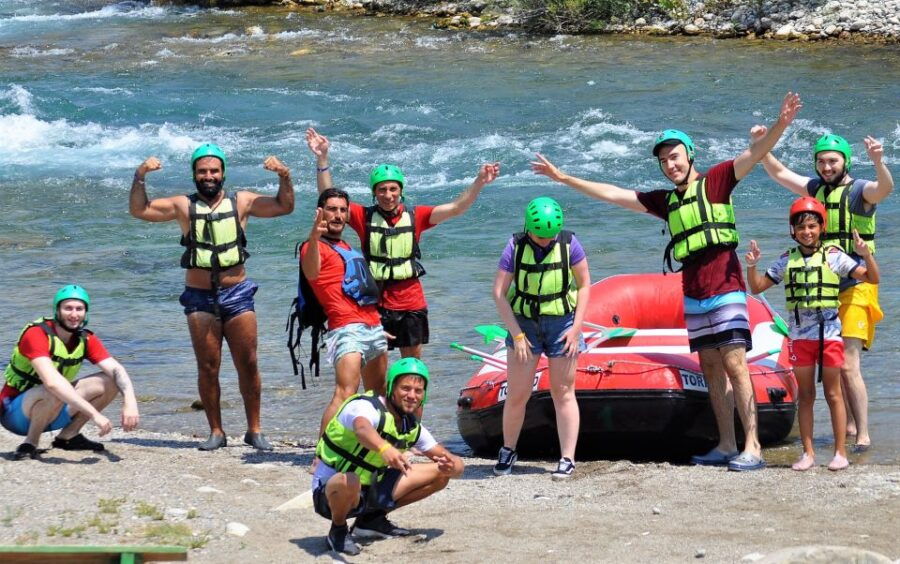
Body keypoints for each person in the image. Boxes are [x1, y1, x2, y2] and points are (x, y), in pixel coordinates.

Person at [532, 92, 803, 471]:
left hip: (725, 285)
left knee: (735, 364)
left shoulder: (718, 180)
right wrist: (564, 178)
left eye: (674, 156)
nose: (669, 165)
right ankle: (726, 444)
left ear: (690, 155)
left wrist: (781, 125)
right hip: (692, 291)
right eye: (663, 161)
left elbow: (755, 155)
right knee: (709, 366)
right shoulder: (666, 202)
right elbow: (614, 195)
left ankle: (752, 445)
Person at [129, 143, 294, 451]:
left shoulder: (242, 201)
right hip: (199, 297)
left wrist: (284, 175)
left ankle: (254, 429)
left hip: (238, 293)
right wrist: (140, 176)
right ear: (194, 174)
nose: (208, 176)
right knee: (208, 366)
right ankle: (216, 431)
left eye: (214, 171)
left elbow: (285, 207)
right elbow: (139, 210)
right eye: (202, 171)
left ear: (223, 173)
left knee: (249, 363)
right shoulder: (182, 206)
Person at [306, 127, 500, 359]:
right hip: (376, 303)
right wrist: (322, 158)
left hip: (411, 302)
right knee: (376, 366)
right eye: (382, 190)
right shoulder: (362, 216)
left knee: (411, 367)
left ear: (401, 190)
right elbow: (329, 195)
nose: (388, 195)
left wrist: (479, 181)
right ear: (374, 193)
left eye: (393, 189)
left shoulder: (416, 216)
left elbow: (456, 208)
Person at [754, 133, 892, 451]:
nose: (827, 166)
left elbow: (884, 189)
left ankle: (864, 434)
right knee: (835, 362)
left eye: (833, 160)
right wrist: (762, 146)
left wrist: (878, 161)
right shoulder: (815, 189)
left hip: (857, 285)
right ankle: (852, 425)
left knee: (847, 362)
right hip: (825, 288)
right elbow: (779, 173)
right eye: (821, 161)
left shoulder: (860, 191)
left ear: (846, 161)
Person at [745, 197, 878, 471]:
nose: (807, 231)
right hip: (800, 338)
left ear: (821, 228)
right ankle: (808, 453)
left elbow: (873, 278)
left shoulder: (834, 256)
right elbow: (757, 287)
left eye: (812, 226)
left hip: (828, 335)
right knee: (806, 396)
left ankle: (840, 452)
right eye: (801, 227)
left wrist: (865, 254)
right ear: (793, 231)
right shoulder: (786, 260)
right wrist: (752, 266)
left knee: (833, 394)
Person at [312, 357, 464, 555]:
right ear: (392, 387)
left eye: (418, 391)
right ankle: (338, 529)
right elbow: (362, 429)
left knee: (441, 475)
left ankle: (371, 521)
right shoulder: (365, 407)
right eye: (405, 388)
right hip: (331, 490)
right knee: (349, 479)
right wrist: (385, 449)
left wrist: (454, 467)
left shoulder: (411, 428)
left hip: (369, 489)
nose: (412, 395)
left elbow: (451, 460)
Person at [491, 197, 589, 479]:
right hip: (524, 324)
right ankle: (508, 450)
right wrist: (517, 335)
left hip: (562, 323)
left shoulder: (570, 243)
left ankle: (567, 458)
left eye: (550, 236)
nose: (546, 241)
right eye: (540, 236)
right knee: (518, 393)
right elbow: (498, 293)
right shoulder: (515, 246)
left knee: (564, 391)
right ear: (528, 228)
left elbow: (584, 285)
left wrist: (576, 328)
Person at [1, 285, 140, 460]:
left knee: (111, 380)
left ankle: (68, 436)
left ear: (85, 312)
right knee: (53, 388)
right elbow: (52, 383)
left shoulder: (85, 338)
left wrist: (130, 400)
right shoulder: (36, 334)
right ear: (57, 310)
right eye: (68, 308)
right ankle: (30, 443)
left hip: (53, 410)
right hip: (15, 414)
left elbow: (117, 369)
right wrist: (94, 415)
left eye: (79, 309)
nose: (74, 314)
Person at [301, 189, 388, 438]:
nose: (338, 215)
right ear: (320, 212)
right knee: (345, 392)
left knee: (378, 394)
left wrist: (379, 324)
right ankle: (321, 455)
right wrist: (315, 236)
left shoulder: (346, 246)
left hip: (373, 326)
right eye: (332, 209)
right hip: (346, 329)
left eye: (342, 210)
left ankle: (370, 447)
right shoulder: (312, 246)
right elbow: (311, 273)